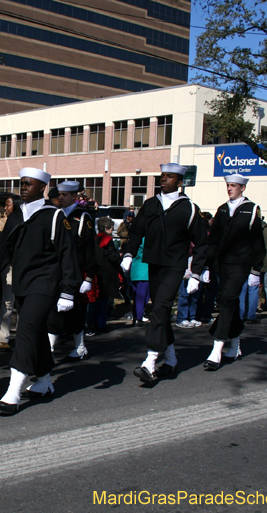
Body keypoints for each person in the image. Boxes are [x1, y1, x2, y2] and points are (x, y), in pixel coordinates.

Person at [0, 167, 79, 415]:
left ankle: (13, 392)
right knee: (35, 332)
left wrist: (68, 290)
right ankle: (44, 381)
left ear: (42, 188)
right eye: (21, 183)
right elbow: (2, 249)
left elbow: (68, 255)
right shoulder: (16, 216)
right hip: (22, 283)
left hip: (45, 284)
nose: (23, 187)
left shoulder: (55, 217)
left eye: (29, 184)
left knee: (24, 330)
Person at [121, 163, 208, 382]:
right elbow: (136, 232)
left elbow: (202, 243)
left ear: (179, 182)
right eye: (162, 176)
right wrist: (129, 254)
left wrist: (197, 273)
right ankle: (170, 359)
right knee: (162, 312)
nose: (164, 179)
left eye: (169, 177)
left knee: (159, 308)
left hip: (175, 266)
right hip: (154, 265)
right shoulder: (150, 205)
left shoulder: (189, 208)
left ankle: (150, 361)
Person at [202, 174, 265, 370]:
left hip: (241, 264)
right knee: (232, 303)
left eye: (234, 186)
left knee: (227, 299)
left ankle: (217, 348)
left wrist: (256, 270)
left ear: (242, 188)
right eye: (228, 185)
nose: (230, 189)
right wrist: (205, 266)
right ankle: (235, 345)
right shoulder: (222, 209)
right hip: (223, 264)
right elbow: (214, 240)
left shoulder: (251, 209)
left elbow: (257, 241)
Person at [47, 180, 95, 362]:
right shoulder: (56, 215)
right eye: (59, 194)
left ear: (74, 196)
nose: (60, 198)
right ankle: (53, 349)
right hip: (57, 271)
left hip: (75, 272)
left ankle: (78, 347)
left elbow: (89, 249)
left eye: (64, 195)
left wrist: (88, 277)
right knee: (55, 311)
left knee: (73, 313)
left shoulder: (82, 218)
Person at [87, 217, 123, 334]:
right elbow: (112, 257)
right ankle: (100, 324)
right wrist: (119, 255)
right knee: (103, 302)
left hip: (97, 272)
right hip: (107, 274)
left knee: (95, 301)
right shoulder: (108, 240)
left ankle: (93, 323)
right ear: (107, 228)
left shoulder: (94, 239)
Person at [0, 196, 18, 351]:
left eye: (8, 205)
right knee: (8, 303)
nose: (5, 208)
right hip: (9, 266)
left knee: (23, 303)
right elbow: (0, 243)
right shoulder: (3, 221)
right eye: (5, 205)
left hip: (24, 267)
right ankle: (3, 338)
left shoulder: (26, 220)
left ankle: (23, 336)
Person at [130, 243, 150, 325]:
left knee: (136, 297)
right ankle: (139, 317)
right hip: (144, 272)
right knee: (143, 297)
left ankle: (136, 317)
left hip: (135, 271)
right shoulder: (145, 240)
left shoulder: (134, 240)